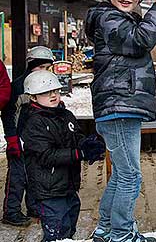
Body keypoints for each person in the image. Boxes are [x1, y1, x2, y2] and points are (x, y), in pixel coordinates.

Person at [85, 0, 156, 242]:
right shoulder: (109, 18)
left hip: (122, 106)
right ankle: (121, 234)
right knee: (131, 176)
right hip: (118, 105)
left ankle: (106, 230)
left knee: (123, 174)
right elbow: (141, 40)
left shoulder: (119, 18)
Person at [20, 70, 105, 242]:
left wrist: (86, 144)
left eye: (55, 91)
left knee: (70, 221)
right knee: (56, 229)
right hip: (48, 189)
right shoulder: (34, 123)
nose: (53, 95)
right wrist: (78, 153)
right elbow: (46, 155)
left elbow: (76, 135)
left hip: (68, 184)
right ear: (33, 97)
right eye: (45, 92)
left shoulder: (65, 115)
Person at [2, 46, 53, 226]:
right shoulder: (18, 87)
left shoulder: (48, 88)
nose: (44, 72)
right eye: (41, 68)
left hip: (36, 142)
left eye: (48, 68)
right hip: (19, 140)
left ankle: (33, 207)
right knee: (17, 178)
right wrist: (12, 139)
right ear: (31, 66)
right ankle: (11, 211)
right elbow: (8, 115)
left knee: (34, 176)